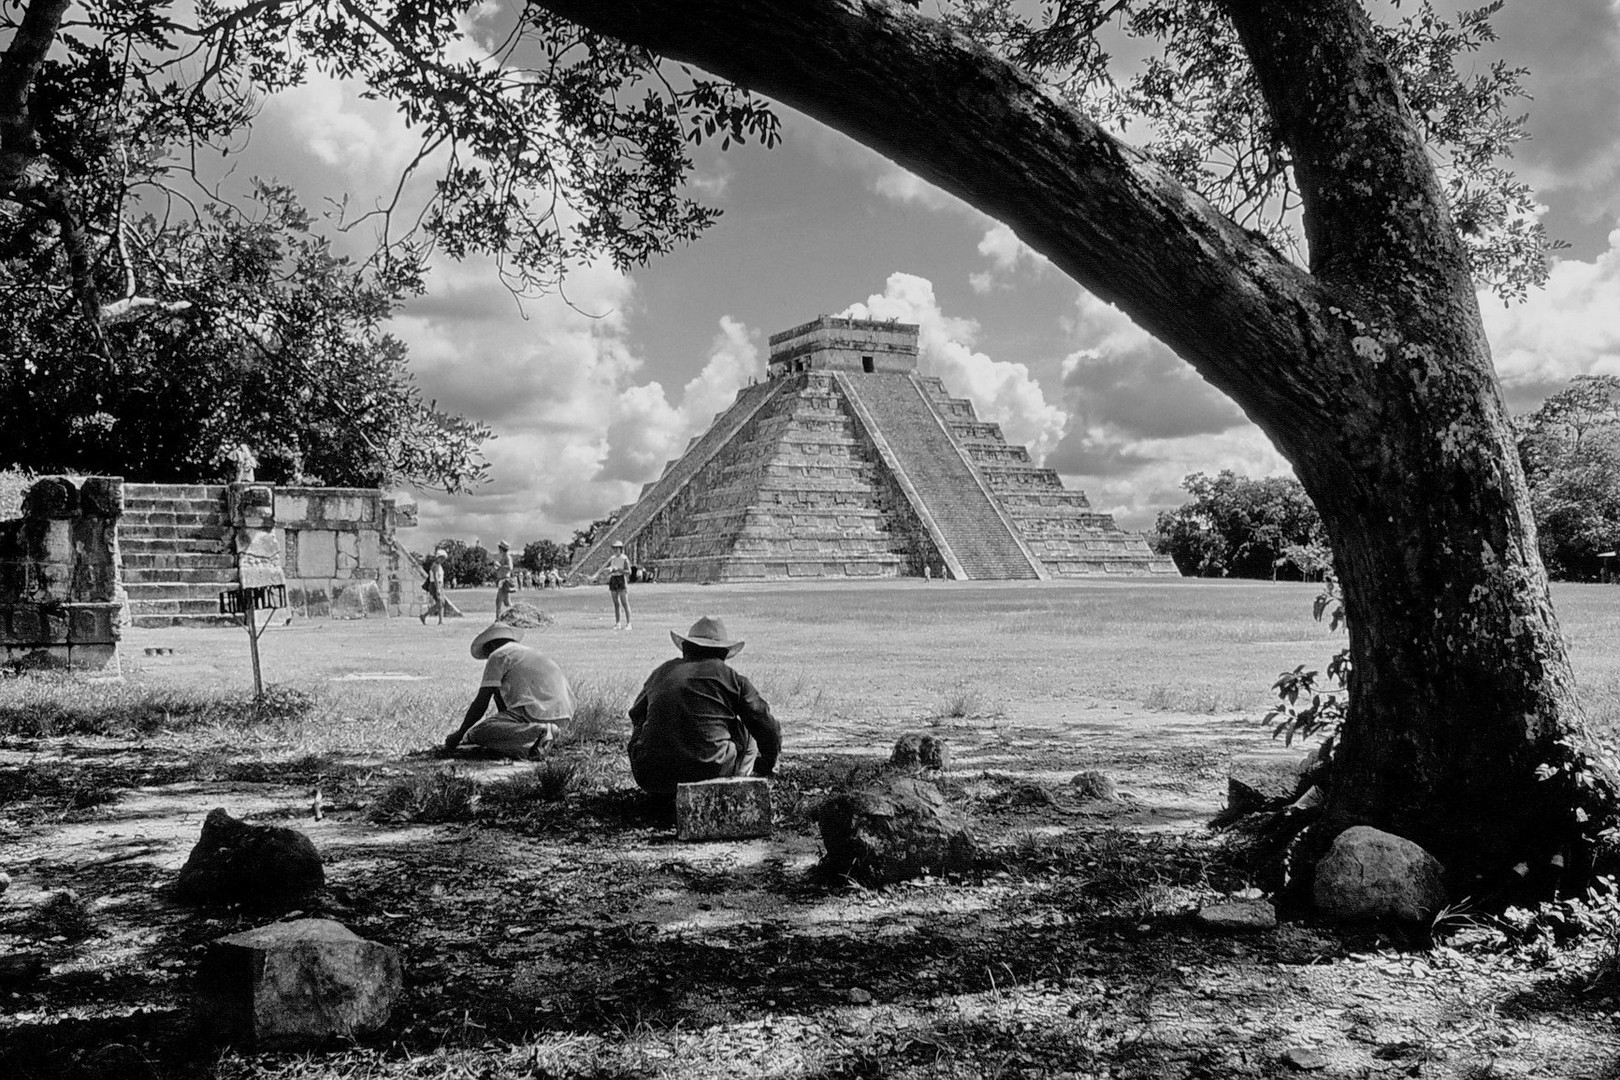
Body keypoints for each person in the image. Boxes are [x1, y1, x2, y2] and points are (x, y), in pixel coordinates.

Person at [627, 616, 780, 796]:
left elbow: (637, 714)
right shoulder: (731, 678)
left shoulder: (663, 672)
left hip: (651, 776)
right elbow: (764, 722)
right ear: (722, 653)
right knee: (747, 732)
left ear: (686, 648)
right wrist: (768, 763)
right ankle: (736, 791)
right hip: (709, 772)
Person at [443, 624, 575, 759]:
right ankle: (542, 738)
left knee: (477, 732)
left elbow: (481, 703)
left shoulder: (498, 655)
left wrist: (459, 734)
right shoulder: (527, 652)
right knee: (501, 731)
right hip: (563, 716)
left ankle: (540, 731)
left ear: (492, 646)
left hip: (537, 713)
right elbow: (502, 705)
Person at [590, 540, 633, 630]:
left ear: (621, 549)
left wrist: (618, 569)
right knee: (616, 603)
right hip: (613, 579)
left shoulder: (624, 558)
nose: (615, 550)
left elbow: (629, 572)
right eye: (614, 548)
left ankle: (629, 623)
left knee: (624, 602)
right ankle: (618, 623)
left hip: (621, 578)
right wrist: (608, 570)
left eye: (617, 548)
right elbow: (607, 567)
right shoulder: (612, 558)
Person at [420, 549, 448, 625]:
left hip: (439, 584)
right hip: (435, 585)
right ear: (438, 557)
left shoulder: (438, 565)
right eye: (442, 558)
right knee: (440, 603)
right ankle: (424, 615)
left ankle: (440, 620)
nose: (443, 560)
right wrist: (438, 588)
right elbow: (435, 577)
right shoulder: (435, 566)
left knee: (441, 603)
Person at [493, 540, 516, 618]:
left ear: (501, 548)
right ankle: (515, 614)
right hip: (502, 580)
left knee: (499, 600)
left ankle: (497, 618)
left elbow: (510, 567)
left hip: (504, 580)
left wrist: (500, 566)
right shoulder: (503, 557)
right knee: (507, 602)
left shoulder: (507, 557)